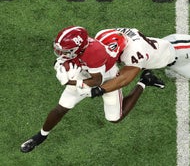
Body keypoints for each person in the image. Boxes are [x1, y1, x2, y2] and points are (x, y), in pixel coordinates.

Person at [20, 26, 164, 153]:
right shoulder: (79, 48)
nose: (60, 52)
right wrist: (59, 66)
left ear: (80, 47)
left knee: (115, 118)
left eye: (66, 50)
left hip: (106, 76)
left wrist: (69, 80)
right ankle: (40, 136)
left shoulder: (95, 52)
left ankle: (145, 81)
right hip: (86, 72)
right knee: (61, 107)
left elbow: (97, 81)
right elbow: (65, 59)